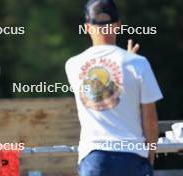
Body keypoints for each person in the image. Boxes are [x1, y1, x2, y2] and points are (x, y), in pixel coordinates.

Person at [65, 0, 163, 175]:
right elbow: (150, 122)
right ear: (118, 24)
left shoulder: (72, 65)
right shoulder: (138, 64)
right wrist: (150, 156)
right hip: (132, 156)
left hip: (94, 159)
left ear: (87, 26)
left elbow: (104, 83)